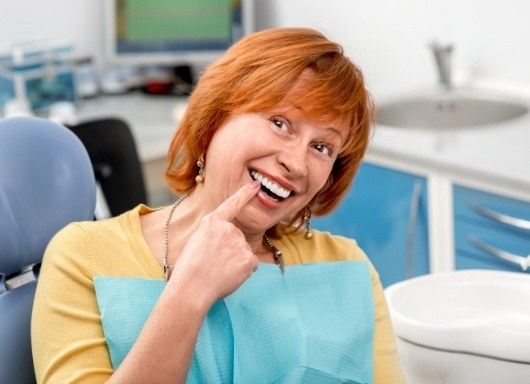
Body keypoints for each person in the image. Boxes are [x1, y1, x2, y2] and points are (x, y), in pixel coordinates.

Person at [31, 27, 405, 383]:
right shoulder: (82, 256)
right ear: (213, 120)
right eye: (280, 122)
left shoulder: (348, 268)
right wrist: (189, 293)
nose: (296, 163)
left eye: (322, 147)